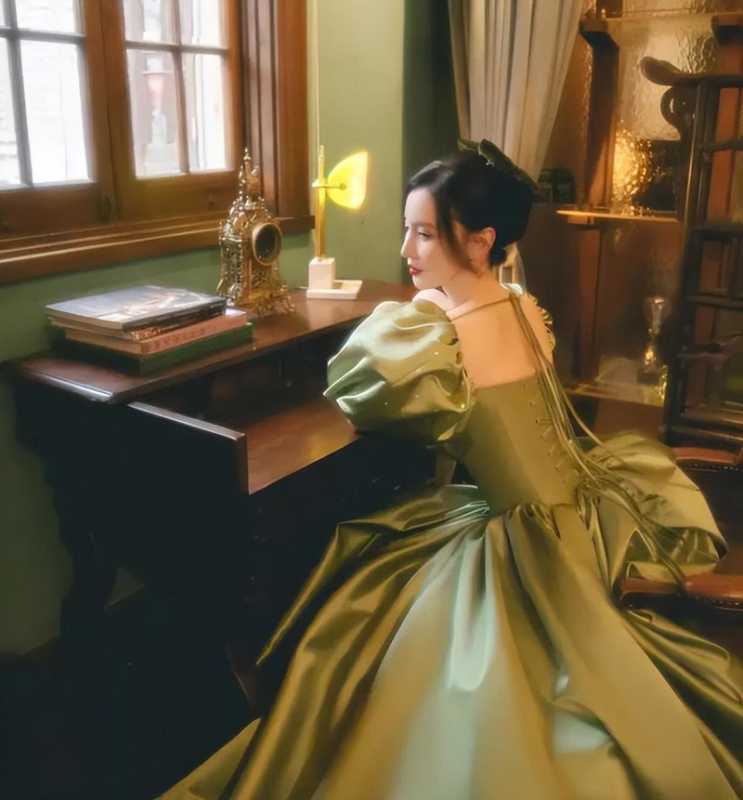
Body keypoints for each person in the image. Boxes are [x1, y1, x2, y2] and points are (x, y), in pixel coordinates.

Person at [162, 144, 743, 799]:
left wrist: (425, 319)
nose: (405, 249)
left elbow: (359, 398)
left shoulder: (444, 336)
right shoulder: (521, 304)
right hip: (583, 508)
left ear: (480, 240)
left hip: (524, 542)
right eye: (406, 229)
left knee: (384, 625)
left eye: (425, 233)